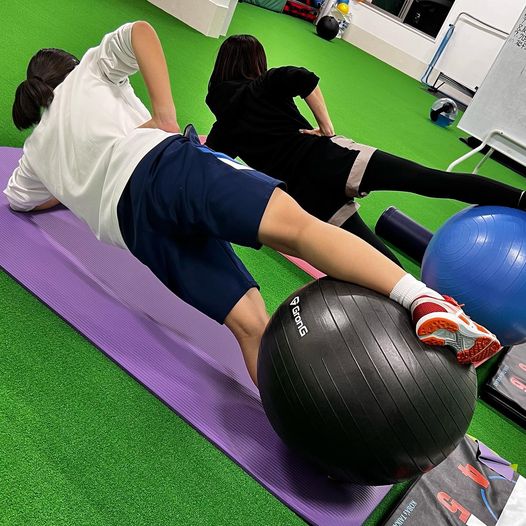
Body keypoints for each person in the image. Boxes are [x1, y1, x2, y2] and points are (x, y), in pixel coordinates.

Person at [5, 22, 501, 388]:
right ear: (68, 69)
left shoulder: (35, 154)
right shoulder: (89, 71)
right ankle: (424, 301)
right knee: (301, 230)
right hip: (169, 167)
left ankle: (301, 427)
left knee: (248, 328)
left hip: (135, 228)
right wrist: (164, 114)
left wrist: (75, 186)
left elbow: (20, 202)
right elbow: (141, 32)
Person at [205, 35, 526, 266]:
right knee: (431, 181)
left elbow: (214, 165)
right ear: (256, 63)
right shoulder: (263, 84)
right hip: (335, 160)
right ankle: (521, 199)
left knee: (379, 263)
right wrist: (326, 128)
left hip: (308, 196)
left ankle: (431, 312)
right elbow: (304, 78)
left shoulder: (224, 127)